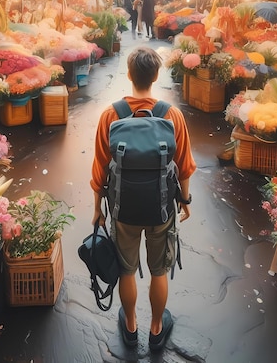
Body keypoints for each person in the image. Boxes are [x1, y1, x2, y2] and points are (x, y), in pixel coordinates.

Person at [91, 47, 196, 352]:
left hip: (123, 210)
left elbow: (99, 168)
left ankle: (131, 325)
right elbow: (185, 165)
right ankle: (156, 328)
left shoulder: (111, 115)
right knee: (159, 270)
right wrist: (184, 201)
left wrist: (97, 209)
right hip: (161, 209)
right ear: (155, 76)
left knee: (126, 270)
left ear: (128, 75)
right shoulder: (171, 114)